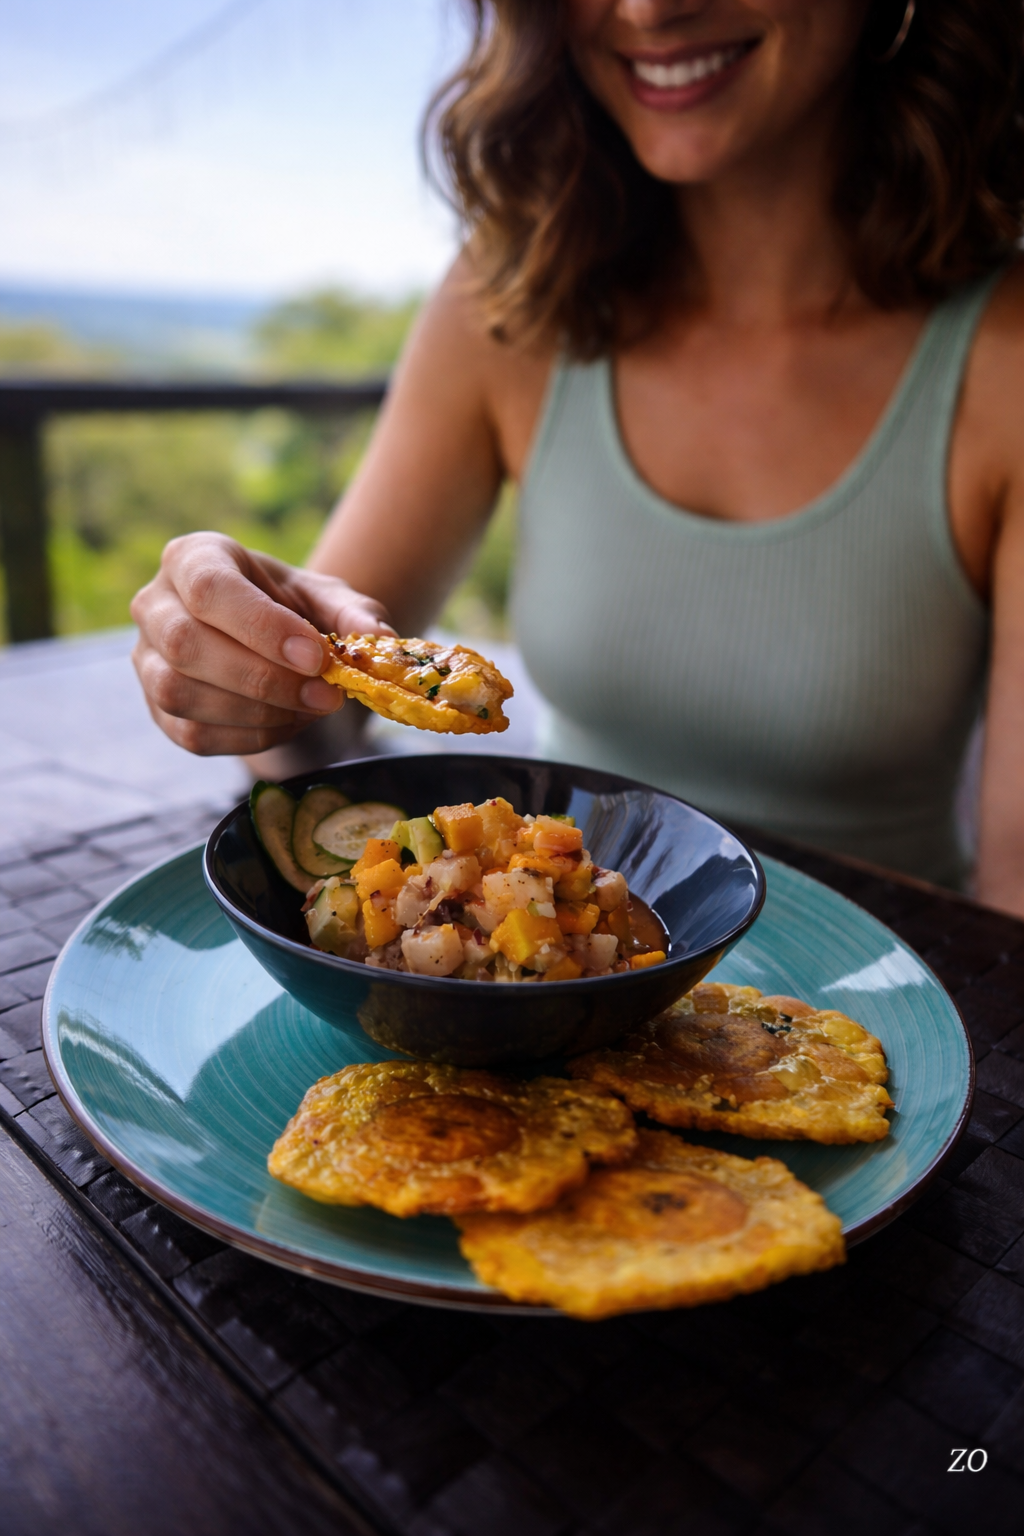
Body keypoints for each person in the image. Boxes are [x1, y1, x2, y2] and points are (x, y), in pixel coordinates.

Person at [130, 0, 1024, 917]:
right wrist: (246, 667)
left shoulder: (1005, 357)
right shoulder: (508, 299)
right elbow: (317, 730)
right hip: (548, 1004)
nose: (649, 8)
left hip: (889, 1012)